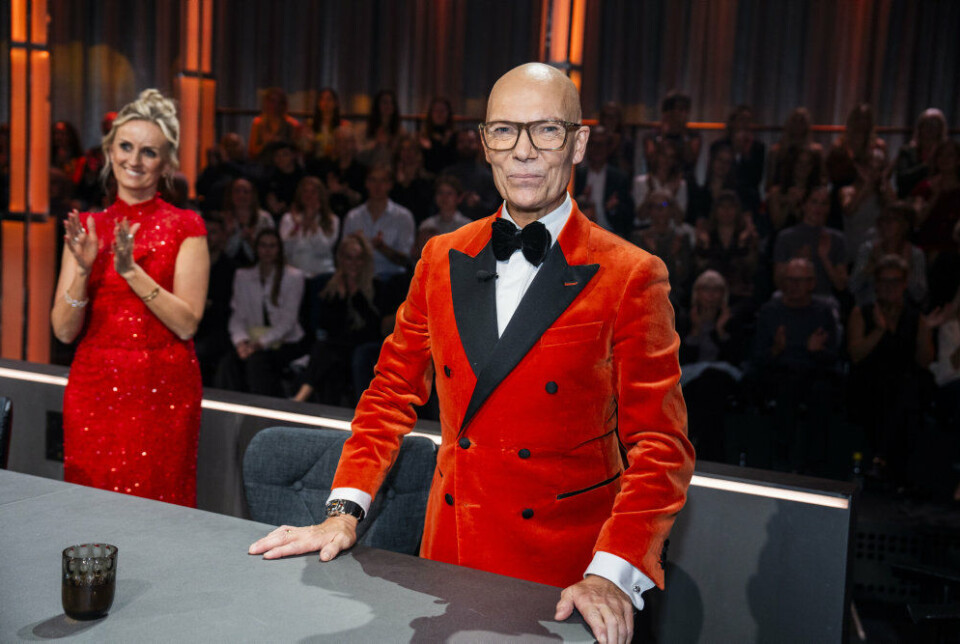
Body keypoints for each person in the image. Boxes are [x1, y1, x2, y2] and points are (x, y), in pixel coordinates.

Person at [250, 62, 695, 644]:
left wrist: (611, 573)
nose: (525, 151)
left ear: (579, 142)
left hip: (566, 580)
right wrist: (345, 511)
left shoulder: (632, 275)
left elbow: (661, 449)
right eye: (505, 131)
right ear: (485, 144)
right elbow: (388, 393)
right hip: (448, 559)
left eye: (547, 130)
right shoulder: (440, 257)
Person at [51, 89, 209, 507]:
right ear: (109, 152)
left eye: (148, 152)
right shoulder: (86, 227)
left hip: (163, 391)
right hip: (94, 389)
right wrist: (83, 271)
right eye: (125, 146)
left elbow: (187, 323)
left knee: (159, 513)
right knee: (90, 511)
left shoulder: (186, 226)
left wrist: (130, 272)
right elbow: (63, 331)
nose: (134, 160)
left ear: (166, 163)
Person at [847, 255, 936, 485]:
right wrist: (879, 330)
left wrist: (926, 332)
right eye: (884, 281)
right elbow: (856, 355)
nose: (889, 287)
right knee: (885, 393)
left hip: (905, 383)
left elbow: (924, 361)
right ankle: (880, 462)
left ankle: (891, 466)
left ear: (904, 284)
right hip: (868, 381)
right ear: (876, 284)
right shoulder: (862, 313)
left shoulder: (916, 318)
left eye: (895, 281)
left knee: (908, 392)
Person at [290, 234, 386, 405]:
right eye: (349, 258)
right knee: (326, 356)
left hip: (363, 345)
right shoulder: (331, 287)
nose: (354, 263)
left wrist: (356, 295)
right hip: (338, 347)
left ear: (365, 260)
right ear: (341, 259)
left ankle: (301, 396)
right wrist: (339, 298)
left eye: (358, 258)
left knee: (326, 351)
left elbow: (373, 329)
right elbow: (326, 326)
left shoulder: (376, 286)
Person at [217, 228, 307, 396]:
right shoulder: (242, 275)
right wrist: (241, 342)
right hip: (251, 338)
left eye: (272, 246)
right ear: (256, 248)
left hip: (285, 341)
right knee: (228, 362)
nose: (267, 250)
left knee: (257, 362)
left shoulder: (293, 276)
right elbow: (237, 315)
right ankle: (232, 410)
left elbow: (288, 321)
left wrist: (259, 344)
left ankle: (259, 413)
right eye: (263, 245)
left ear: (279, 249)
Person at [342, 162, 416, 283]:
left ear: (390, 185)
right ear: (366, 183)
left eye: (383, 181)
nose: (377, 186)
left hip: (392, 279)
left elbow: (406, 260)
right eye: (373, 180)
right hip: (358, 279)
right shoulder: (353, 217)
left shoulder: (403, 217)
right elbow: (343, 254)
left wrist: (382, 248)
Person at [574, 125, 635, 238]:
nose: (597, 149)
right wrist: (581, 200)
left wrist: (613, 209)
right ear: (587, 147)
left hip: (611, 235)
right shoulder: (577, 176)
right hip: (581, 234)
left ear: (608, 148)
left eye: (601, 145)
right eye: (594, 144)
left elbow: (629, 216)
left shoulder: (619, 178)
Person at [248, 87, 301, 160]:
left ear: (283, 105)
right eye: (272, 101)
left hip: (284, 166)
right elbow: (252, 152)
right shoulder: (258, 123)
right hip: (264, 164)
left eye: (279, 102)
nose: (275, 106)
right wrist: (265, 143)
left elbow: (296, 150)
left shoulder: (291, 124)